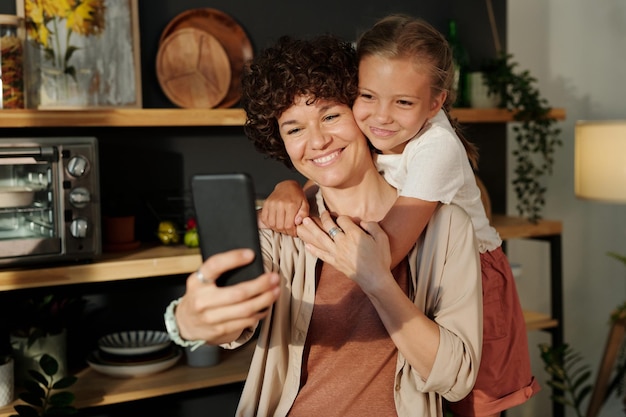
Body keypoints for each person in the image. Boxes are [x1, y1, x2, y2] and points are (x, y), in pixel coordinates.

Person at [165, 35, 482, 417]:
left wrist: (377, 281)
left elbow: (457, 377)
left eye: (330, 115)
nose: (317, 141)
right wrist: (188, 320)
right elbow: (230, 321)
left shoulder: (447, 228)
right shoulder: (279, 229)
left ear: (360, 112)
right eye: (294, 129)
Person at [260, 15, 539, 417]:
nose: (381, 116)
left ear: (436, 102)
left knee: (471, 404)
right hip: (428, 261)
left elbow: (381, 255)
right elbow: (324, 172)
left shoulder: (436, 148)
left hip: (471, 273)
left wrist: (320, 239)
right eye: (367, 96)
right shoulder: (383, 131)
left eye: (403, 102)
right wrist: (288, 189)